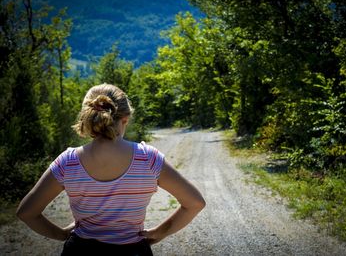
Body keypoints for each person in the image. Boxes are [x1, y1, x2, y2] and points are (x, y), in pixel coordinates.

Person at [16, 83, 206, 255]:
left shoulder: (68, 161)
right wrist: (158, 233)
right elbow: (195, 203)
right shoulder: (148, 158)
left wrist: (63, 234)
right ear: (125, 119)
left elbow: (26, 212)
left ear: (88, 117)